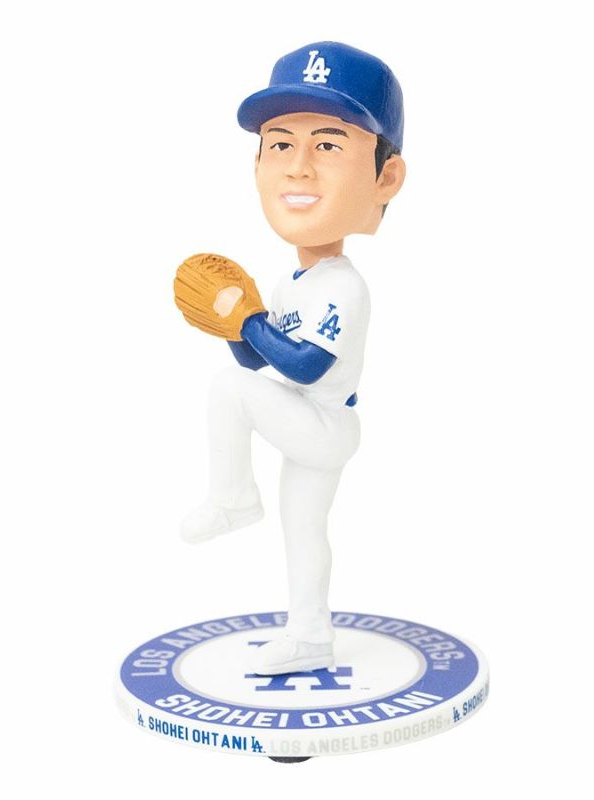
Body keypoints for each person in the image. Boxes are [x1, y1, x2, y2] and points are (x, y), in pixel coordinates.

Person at [180, 41, 406, 675]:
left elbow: (305, 366)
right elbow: (258, 365)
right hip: (306, 421)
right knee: (304, 533)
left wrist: (249, 320)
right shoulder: (292, 282)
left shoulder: (342, 283)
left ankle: (232, 499)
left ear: (384, 177)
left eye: (328, 145)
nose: (299, 168)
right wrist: (232, 323)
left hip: (326, 423)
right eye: (280, 144)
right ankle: (310, 636)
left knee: (227, 392)